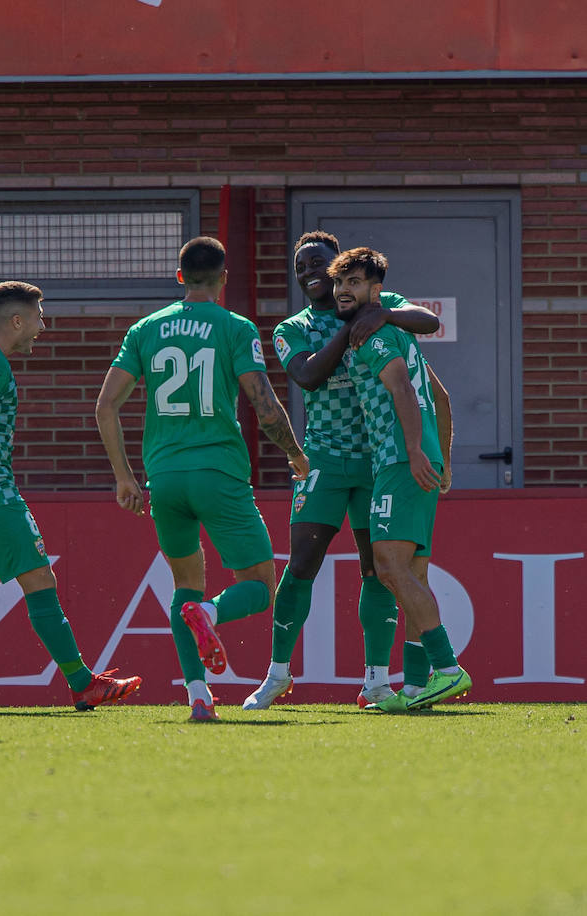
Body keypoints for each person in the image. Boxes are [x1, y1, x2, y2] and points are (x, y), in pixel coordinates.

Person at [95, 236, 308, 722]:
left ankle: (198, 695)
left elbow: (106, 405)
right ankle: (210, 614)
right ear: (224, 279)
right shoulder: (236, 327)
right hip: (218, 473)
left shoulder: (145, 329)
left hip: (164, 478)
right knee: (259, 584)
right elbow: (263, 403)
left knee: (185, 582)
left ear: (179, 278)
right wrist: (295, 452)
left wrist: (124, 478)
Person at [0, 281, 142, 713]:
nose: (42, 327)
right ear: (17, 320)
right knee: (40, 581)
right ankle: (82, 682)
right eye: (38, 317)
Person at [243, 230, 443, 712]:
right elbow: (307, 375)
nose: (311, 273)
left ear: (339, 270)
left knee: (378, 572)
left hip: (379, 459)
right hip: (324, 461)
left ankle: (376, 682)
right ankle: (277, 675)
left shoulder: (380, 303)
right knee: (302, 565)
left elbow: (430, 321)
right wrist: (351, 324)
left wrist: (385, 314)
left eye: (320, 265)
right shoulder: (291, 328)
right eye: (302, 268)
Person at [329, 247, 468, 710]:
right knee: (412, 574)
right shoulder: (398, 328)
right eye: (339, 283)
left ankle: (448, 670)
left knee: (387, 566)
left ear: (375, 288)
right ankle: (413, 687)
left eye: (353, 282)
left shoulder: (375, 333)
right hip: (418, 460)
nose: (343, 290)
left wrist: (411, 452)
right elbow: (441, 397)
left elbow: (403, 389)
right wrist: (442, 458)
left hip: (397, 460)